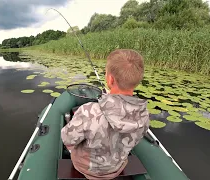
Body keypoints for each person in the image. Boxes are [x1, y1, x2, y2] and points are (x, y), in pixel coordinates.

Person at [61, 49, 150, 180]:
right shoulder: (144, 114)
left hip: (86, 168)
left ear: (110, 79)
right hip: (117, 168)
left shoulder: (88, 111)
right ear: (138, 80)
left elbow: (67, 138)